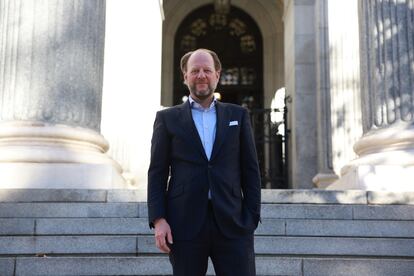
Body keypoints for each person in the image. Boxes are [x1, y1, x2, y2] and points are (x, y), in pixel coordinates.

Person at [147, 48, 261, 276]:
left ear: (217, 75)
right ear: (185, 76)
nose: (201, 75)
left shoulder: (237, 115)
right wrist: (158, 219)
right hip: (183, 224)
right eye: (195, 70)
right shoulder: (167, 118)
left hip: (232, 223)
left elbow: (250, 170)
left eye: (207, 70)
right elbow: (157, 172)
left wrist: (251, 217)